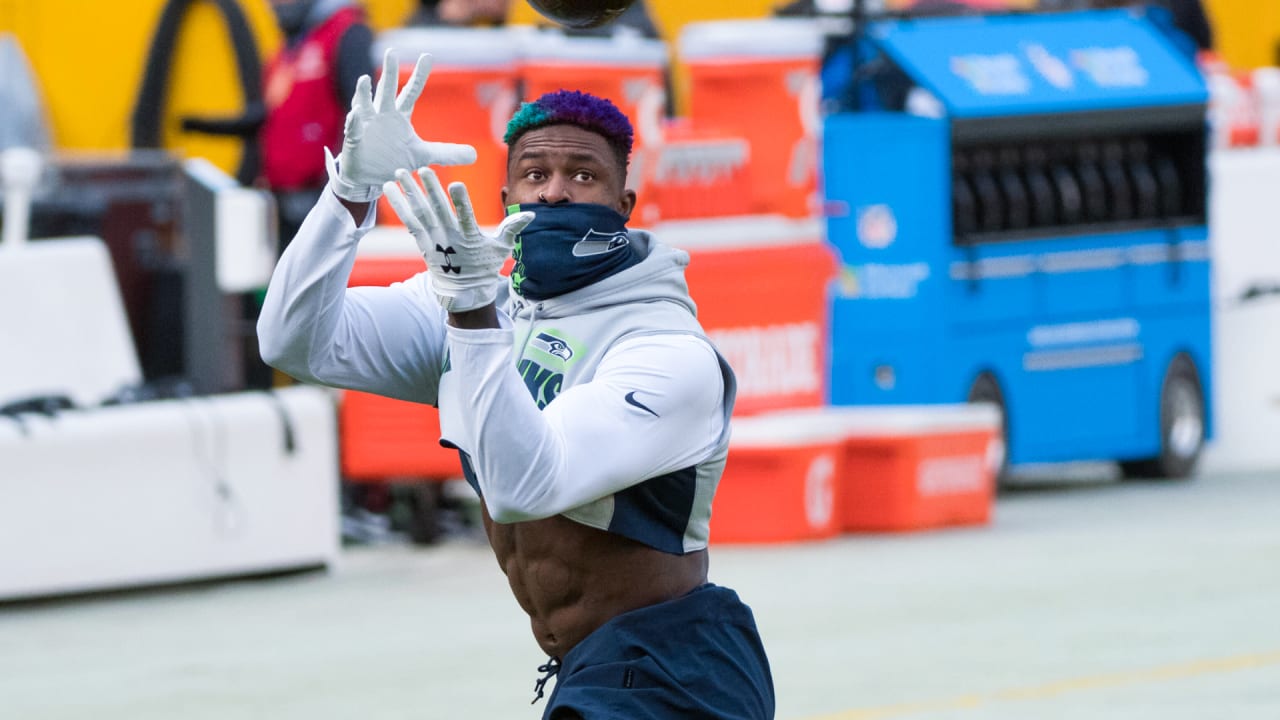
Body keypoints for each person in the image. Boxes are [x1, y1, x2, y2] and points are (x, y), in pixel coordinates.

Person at [256, 48, 775, 719]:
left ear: (625, 204)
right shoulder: (474, 305)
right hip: (593, 665)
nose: (555, 191)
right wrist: (350, 191)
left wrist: (473, 310)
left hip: (675, 665)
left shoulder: (665, 349)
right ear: (506, 197)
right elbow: (293, 341)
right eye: (536, 174)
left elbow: (524, 489)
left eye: (581, 174)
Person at [182, 0, 374, 246]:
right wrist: (201, 125)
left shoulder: (346, 33)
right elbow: (270, 119)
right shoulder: (289, 50)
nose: (273, 5)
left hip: (325, 204)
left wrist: (339, 198)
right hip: (282, 204)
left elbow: (362, 115)